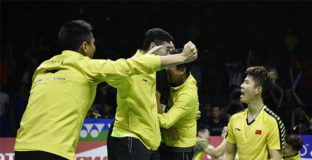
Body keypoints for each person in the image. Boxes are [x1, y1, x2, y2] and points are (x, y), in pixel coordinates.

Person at [14, 20, 198, 160]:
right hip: (54, 150)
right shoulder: (88, 66)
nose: (95, 47)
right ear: (84, 47)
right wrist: (182, 57)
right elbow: (125, 67)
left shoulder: (42, 68)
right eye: (93, 43)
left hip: (22, 146)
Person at [107, 28, 198, 160]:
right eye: (167, 50)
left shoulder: (156, 70)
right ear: (153, 47)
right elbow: (110, 77)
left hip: (148, 140)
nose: (170, 55)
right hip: (130, 137)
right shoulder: (132, 67)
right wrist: (167, 124)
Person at [223, 66, 286, 160]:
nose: (241, 85)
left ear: (258, 89)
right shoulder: (234, 119)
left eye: (246, 82)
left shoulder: (273, 121)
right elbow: (228, 155)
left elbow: (275, 158)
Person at [156, 48, 199, 160]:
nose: (166, 68)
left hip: (180, 148)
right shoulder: (173, 80)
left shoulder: (188, 94)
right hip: (165, 143)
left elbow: (166, 122)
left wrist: (142, 112)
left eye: (170, 66)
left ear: (182, 70)